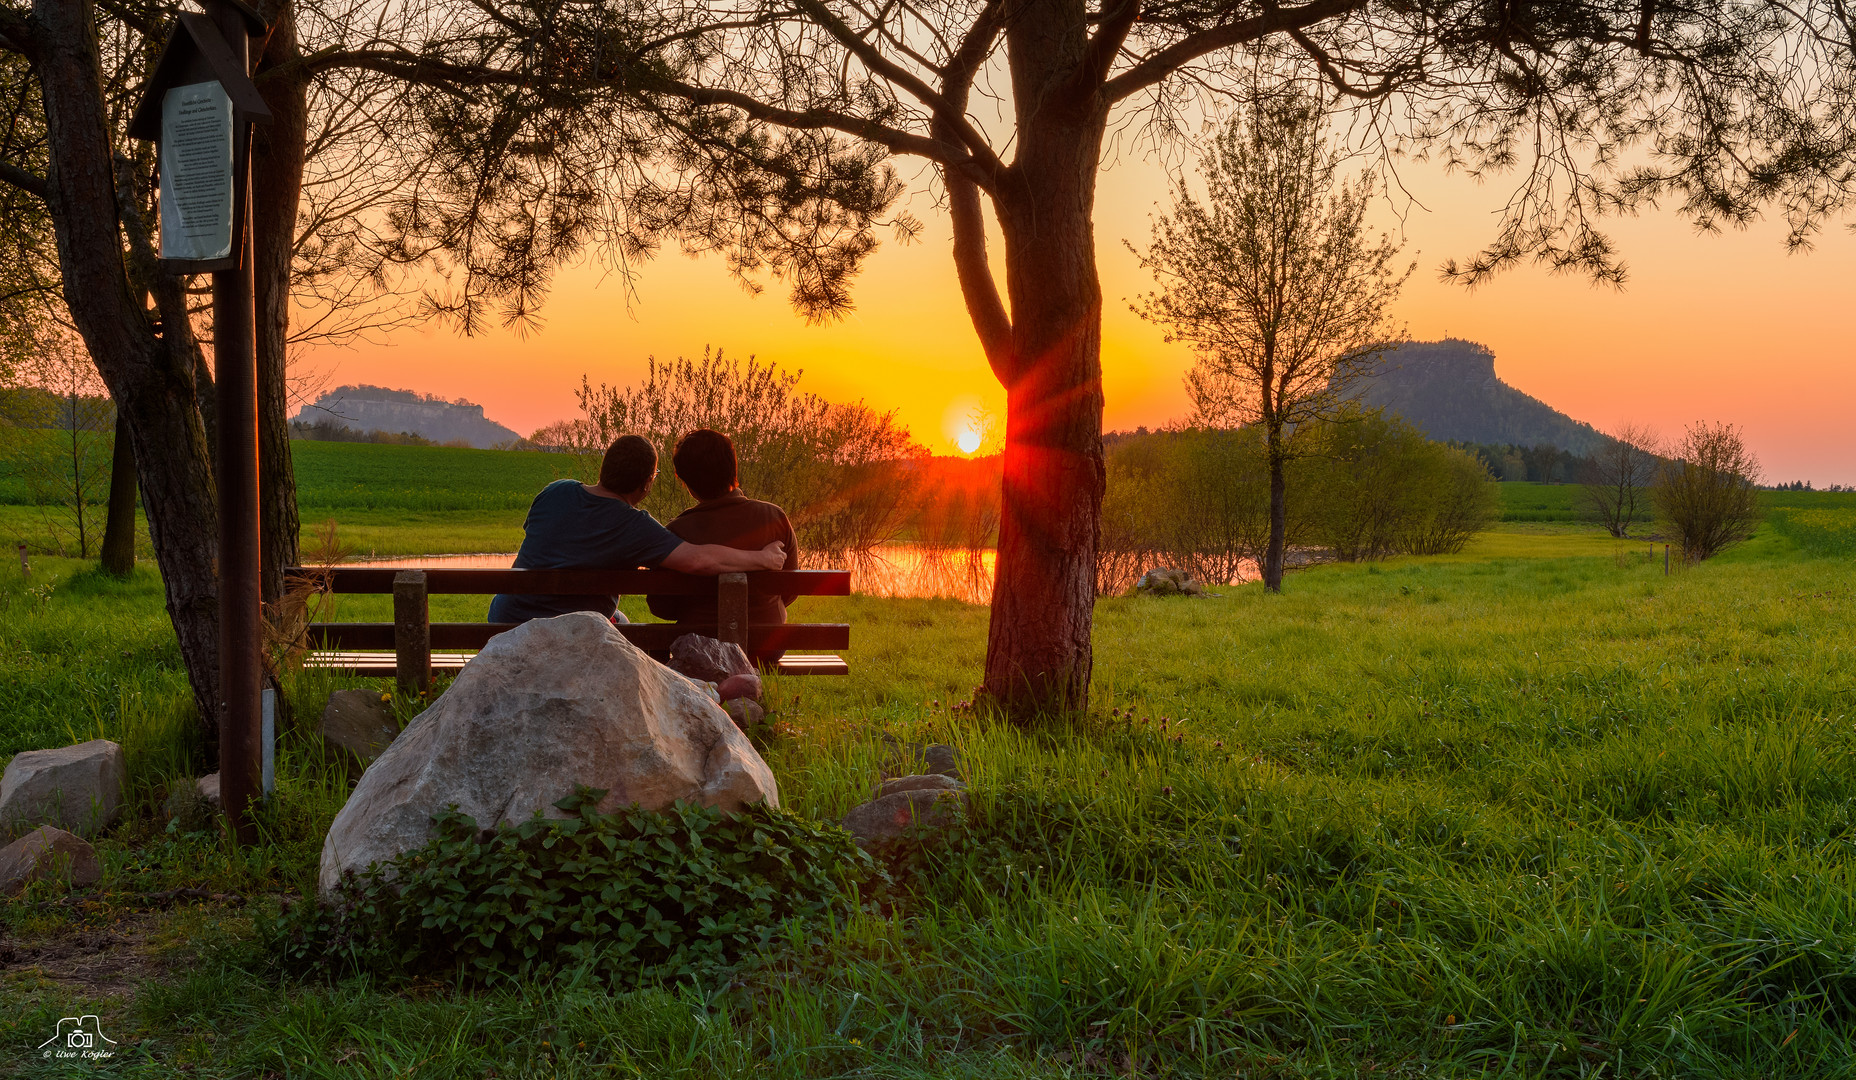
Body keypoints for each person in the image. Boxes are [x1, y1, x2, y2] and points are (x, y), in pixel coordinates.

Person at [487, 434, 784, 624]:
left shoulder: (555, 491)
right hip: (569, 634)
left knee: (622, 621)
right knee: (622, 625)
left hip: (506, 621)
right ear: (645, 484)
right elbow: (698, 560)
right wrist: (763, 559)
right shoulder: (632, 525)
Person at [646, 429, 799, 663]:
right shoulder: (775, 517)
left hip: (701, 650)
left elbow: (661, 607)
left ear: (685, 479)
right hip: (766, 649)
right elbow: (790, 590)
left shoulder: (677, 532)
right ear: (733, 468)